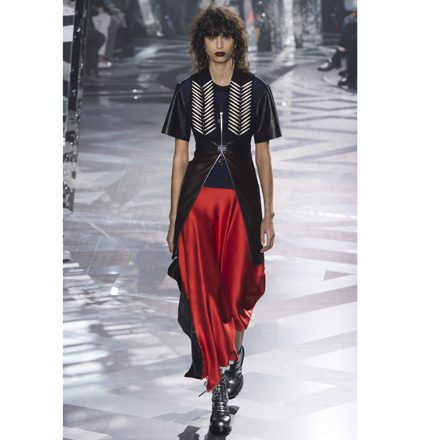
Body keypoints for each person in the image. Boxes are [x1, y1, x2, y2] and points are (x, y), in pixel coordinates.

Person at [161, 6, 281, 436]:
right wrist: (174, 216)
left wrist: (268, 212)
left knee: (237, 291)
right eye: (211, 36)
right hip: (198, 207)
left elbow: (263, 155)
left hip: (240, 206)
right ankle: (217, 391)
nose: (218, 43)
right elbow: (180, 157)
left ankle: (233, 358)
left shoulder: (257, 90)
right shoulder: (187, 90)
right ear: (202, 42)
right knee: (203, 297)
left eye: (225, 35)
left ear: (236, 41)